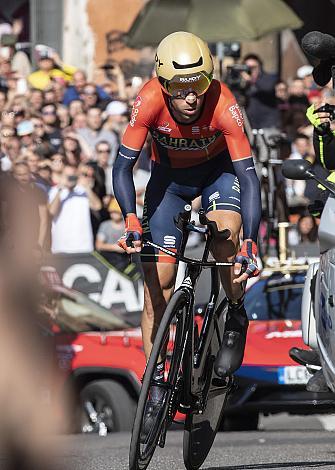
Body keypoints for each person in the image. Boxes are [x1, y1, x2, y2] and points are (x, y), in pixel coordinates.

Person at [112, 32, 262, 412]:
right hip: (170, 183)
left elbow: (248, 177)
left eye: (199, 83)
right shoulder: (147, 100)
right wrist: (130, 218)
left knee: (226, 235)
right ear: (163, 84)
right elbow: (122, 167)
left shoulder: (224, 104)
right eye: (181, 87)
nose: (192, 95)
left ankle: (235, 313)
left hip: (219, 174)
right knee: (155, 291)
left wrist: (251, 242)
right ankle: (156, 382)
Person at [48, 165, 102, 254]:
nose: (70, 178)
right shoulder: (55, 191)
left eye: (73, 176)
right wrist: (61, 188)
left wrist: (87, 187)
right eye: (68, 176)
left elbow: (97, 206)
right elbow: (51, 212)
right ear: (62, 176)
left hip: (83, 246)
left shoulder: (83, 190)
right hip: (60, 246)